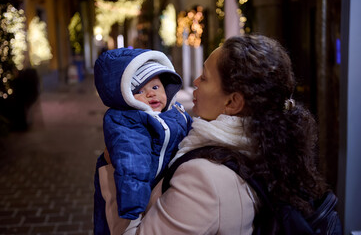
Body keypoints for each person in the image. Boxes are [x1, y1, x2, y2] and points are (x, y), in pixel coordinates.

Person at [99, 34, 328, 235]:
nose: (195, 82)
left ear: (232, 102)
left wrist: (113, 169)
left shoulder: (203, 178)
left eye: (205, 78)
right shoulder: (268, 144)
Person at [93, 48, 193, 235]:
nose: (151, 94)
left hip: (162, 187)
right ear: (125, 96)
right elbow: (132, 159)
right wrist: (134, 205)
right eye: (139, 90)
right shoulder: (127, 120)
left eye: (155, 87)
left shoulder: (176, 111)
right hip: (134, 198)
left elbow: (193, 133)